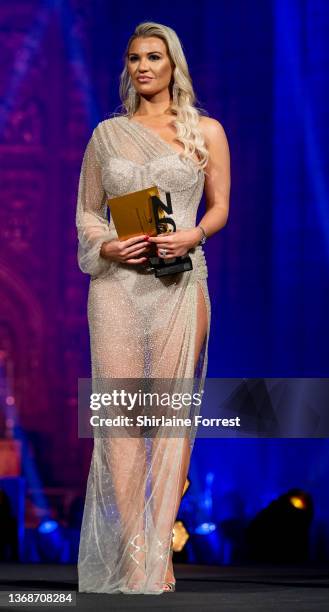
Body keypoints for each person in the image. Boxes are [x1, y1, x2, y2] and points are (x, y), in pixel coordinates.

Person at [76, 21, 230, 595]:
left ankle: (160, 545)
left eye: (154, 57)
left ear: (173, 66)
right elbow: (88, 212)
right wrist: (108, 244)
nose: (144, 66)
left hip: (179, 283)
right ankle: (136, 553)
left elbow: (219, 208)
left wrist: (191, 237)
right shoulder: (107, 136)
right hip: (116, 286)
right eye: (135, 58)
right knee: (120, 420)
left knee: (170, 423)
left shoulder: (205, 131)